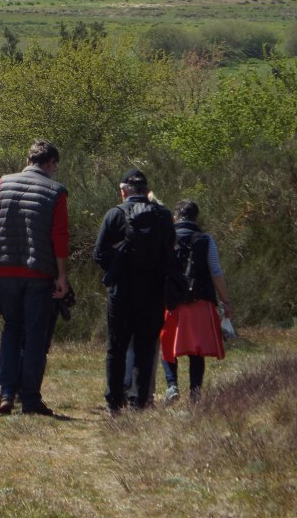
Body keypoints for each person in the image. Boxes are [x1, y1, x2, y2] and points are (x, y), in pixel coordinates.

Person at [0, 139, 70, 417]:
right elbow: (59, 237)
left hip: (5, 270)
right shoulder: (56, 191)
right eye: (56, 166)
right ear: (50, 162)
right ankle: (30, 399)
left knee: (11, 330)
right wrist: (62, 275)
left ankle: (6, 394)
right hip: (39, 272)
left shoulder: (2, 184)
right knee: (35, 335)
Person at [93, 170, 180, 412]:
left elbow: (98, 254)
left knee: (116, 347)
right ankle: (140, 401)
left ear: (124, 191)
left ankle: (114, 402)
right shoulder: (163, 216)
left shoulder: (115, 215)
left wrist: (118, 255)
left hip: (121, 292)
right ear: (146, 190)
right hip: (153, 292)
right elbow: (171, 253)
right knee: (145, 347)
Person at [160, 200, 232, 404]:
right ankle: (195, 394)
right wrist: (226, 301)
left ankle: (172, 385)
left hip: (171, 301)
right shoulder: (206, 239)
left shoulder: (166, 237)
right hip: (200, 301)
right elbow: (216, 272)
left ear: (176, 217)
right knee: (196, 350)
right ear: (196, 217)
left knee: (167, 345)